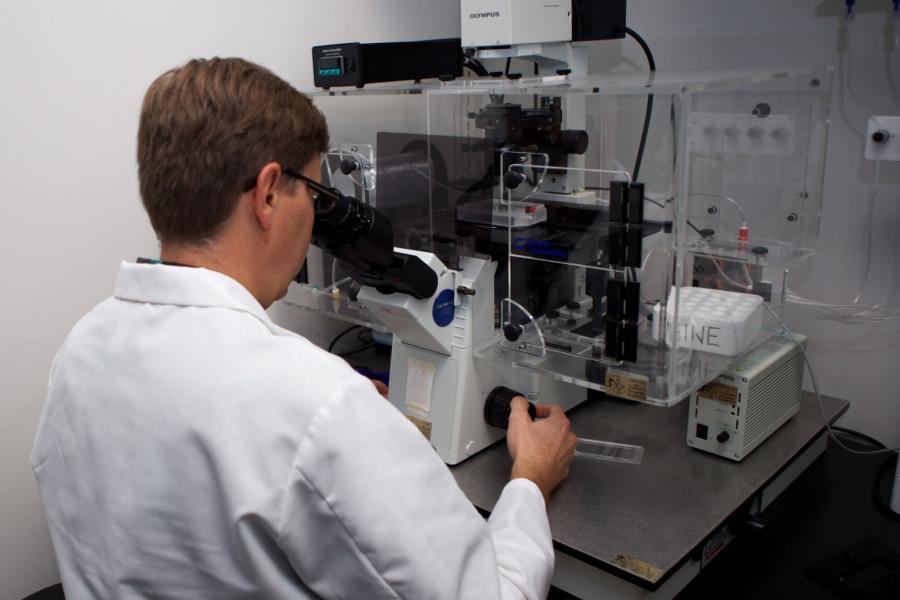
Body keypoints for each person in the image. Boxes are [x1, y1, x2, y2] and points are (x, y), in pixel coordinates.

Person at [31, 57, 577, 599]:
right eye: (315, 196)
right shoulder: (316, 403)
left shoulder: (80, 352)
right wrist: (531, 477)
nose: (316, 219)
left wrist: (350, 428)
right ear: (269, 193)